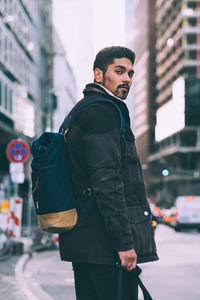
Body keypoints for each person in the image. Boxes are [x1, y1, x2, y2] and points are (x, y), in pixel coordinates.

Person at [59, 46, 158, 300]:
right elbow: (108, 182)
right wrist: (124, 244)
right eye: (119, 71)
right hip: (106, 248)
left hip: (87, 244)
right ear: (99, 74)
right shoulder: (103, 111)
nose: (127, 79)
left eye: (130, 73)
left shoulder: (82, 110)